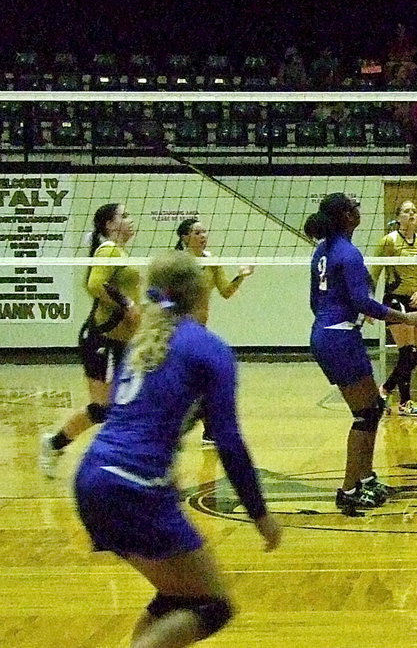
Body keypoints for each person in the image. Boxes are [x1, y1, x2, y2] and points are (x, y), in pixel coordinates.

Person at [73, 251, 281, 647]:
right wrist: (260, 514)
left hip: (92, 478)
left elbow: (124, 415)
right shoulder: (207, 348)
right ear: (202, 292)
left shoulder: (140, 344)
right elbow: (228, 441)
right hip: (134, 487)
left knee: (173, 599)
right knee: (212, 606)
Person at [305, 192, 417, 514]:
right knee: (367, 413)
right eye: (354, 207)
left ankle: (367, 479)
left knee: (373, 408)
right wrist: (404, 318)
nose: (359, 211)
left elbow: (315, 302)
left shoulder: (321, 252)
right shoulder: (349, 253)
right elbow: (363, 302)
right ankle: (349, 489)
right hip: (340, 338)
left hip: (325, 334)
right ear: (346, 216)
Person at [40, 202, 141, 477]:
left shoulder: (119, 252)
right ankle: (57, 445)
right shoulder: (108, 249)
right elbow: (94, 284)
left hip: (121, 343)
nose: (131, 220)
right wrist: (127, 304)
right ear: (109, 225)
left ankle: (62, 446)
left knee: (123, 406)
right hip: (102, 340)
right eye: (125, 216)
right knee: (103, 409)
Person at [174, 218, 255, 444]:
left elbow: (226, 292)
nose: (202, 236)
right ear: (185, 237)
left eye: (204, 232)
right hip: (178, 330)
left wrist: (241, 275)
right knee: (188, 381)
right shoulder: (179, 263)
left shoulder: (211, 260)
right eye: (197, 232)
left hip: (199, 331)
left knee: (204, 379)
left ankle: (208, 429)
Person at [369, 200, 417, 417]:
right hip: (396, 300)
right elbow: (373, 273)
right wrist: (368, 306)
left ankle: (384, 390)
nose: (412, 214)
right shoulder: (389, 241)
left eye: (414, 211)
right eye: (407, 211)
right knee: (406, 353)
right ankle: (405, 402)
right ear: (398, 217)